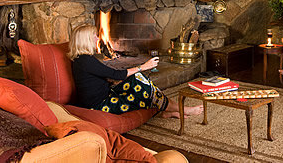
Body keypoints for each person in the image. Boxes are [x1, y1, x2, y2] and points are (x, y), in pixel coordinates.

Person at [68, 24, 203, 118]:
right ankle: (179, 109)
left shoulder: (81, 58)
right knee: (142, 87)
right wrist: (144, 66)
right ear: (86, 40)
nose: (98, 39)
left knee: (138, 80)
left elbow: (104, 77)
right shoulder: (85, 60)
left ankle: (167, 110)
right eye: (94, 36)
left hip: (106, 95)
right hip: (100, 106)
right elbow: (117, 74)